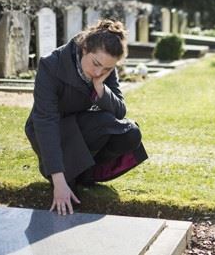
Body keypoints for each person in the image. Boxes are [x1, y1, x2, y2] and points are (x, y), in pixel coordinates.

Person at [25, 19, 147, 216]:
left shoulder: (105, 66)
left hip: (82, 126)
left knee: (130, 133)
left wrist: (100, 87)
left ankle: (83, 174)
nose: (99, 72)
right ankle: (62, 174)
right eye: (96, 64)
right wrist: (59, 182)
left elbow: (119, 111)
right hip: (51, 131)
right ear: (84, 48)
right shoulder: (50, 65)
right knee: (69, 199)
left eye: (107, 69)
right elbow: (46, 122)